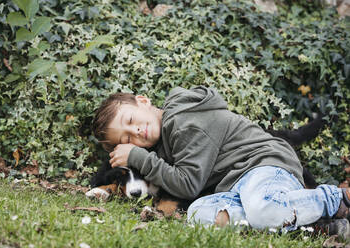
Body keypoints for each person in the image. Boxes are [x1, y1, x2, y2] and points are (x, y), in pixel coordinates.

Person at [92, 86, 350, 239]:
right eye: (127, 138)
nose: (136, 132)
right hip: (236, 187)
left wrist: (137, 156)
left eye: (130, 121)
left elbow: (188, 185)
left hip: (263, 165)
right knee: (199, 214)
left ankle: (338, 198)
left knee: (260, 209)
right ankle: (315, 225)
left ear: (143, 102)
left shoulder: (184, 122)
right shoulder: (163, 142)